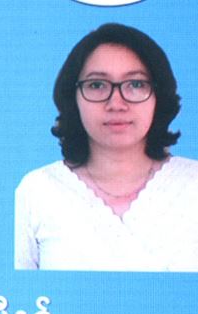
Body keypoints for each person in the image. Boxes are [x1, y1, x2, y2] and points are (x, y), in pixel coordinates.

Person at [15, 23, 198, 271]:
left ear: (159, 95)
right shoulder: (37, 191)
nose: (116, 103)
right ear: (73, 97)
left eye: (136, 84)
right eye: (97, 85)